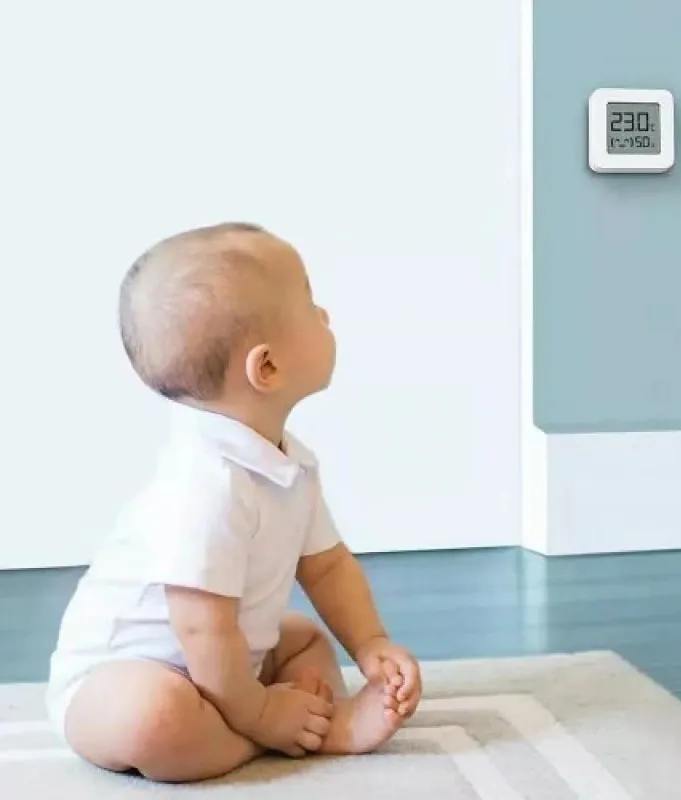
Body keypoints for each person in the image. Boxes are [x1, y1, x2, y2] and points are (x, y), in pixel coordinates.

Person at [46, 222, 422, 783]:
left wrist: (371, 644)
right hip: (119, 680)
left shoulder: (288, 463)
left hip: (228, 661)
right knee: (155, 718)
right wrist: (262, 715)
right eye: (310, 305)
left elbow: (327, 566)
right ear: (266, 367)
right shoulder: (205, 485)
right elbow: (201, 631)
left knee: (303, 638)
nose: (326, 315)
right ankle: (275, 736)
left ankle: (295, 719)